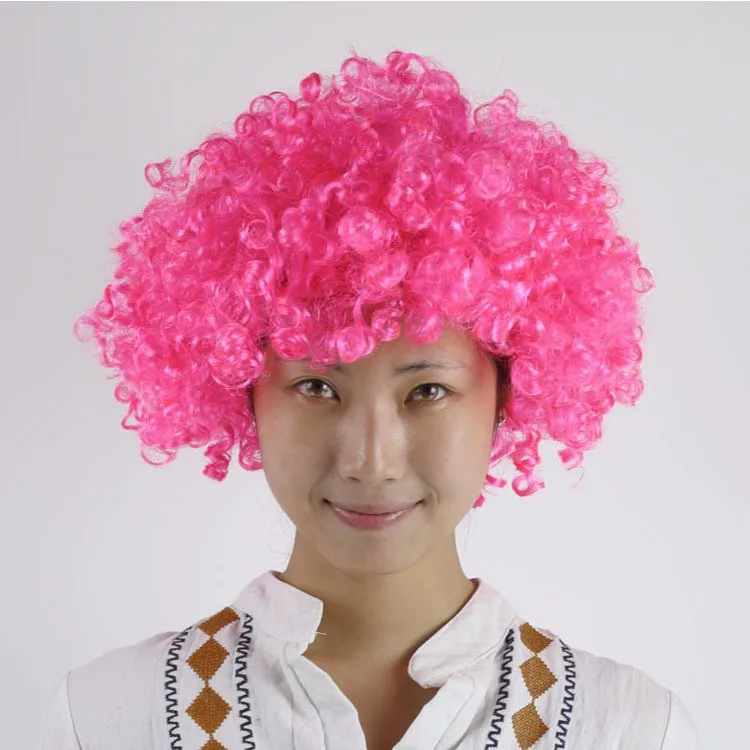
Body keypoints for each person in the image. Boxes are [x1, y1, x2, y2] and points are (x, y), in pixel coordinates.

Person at [39, 49, 702, 749]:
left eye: (428, 391)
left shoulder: (630, 730)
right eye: (317, 386)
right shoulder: (106, 720)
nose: (371, 459)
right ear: (241, 387)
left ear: (508, 395)